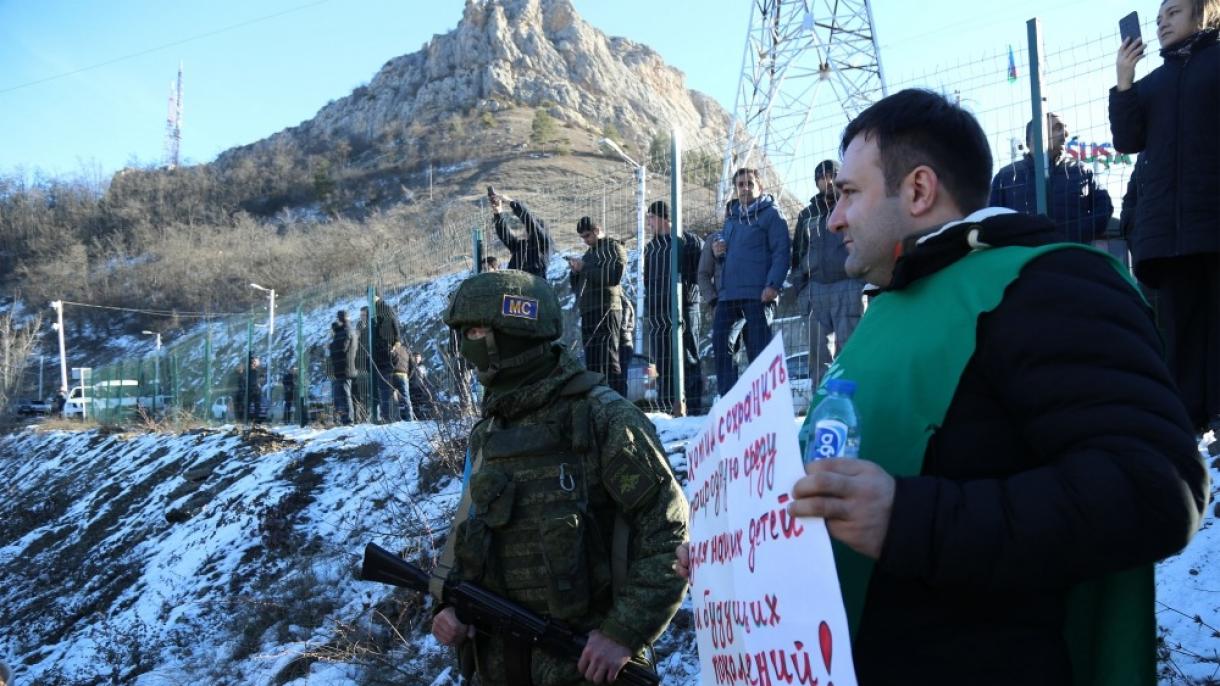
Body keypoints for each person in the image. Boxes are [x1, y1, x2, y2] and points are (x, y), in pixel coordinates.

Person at [678, 88, 1207, 685]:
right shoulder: (892, 311)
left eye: (849, 193)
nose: (833, 218)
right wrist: (737, 552)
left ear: (920, 190)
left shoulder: (1049, 283)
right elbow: (842, 494)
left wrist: (910, 520)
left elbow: (1158, 488)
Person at [432, 270, 688, 685]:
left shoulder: (603, 418)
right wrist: (448, 610)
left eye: (475, 331)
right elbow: (468, 536)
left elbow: (669, 533)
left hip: (584, 668)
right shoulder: (489, 432)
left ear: (512, 334)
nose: (465, 348)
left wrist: (623, 633)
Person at [1111, 0, 1220, 435]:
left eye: (1173, 12)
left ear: (1204, 14)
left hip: (1213, 221)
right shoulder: (1152, 84)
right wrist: (1124, 82)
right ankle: (1187, 427)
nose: (1161, 23)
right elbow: (1127, 139)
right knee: (1179, 331)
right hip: (1168, 235)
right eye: (1158, 18)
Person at [710, 168, 790, 397]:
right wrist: (719, 252)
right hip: (729, 294)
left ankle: (765, 401)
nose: (745, 188)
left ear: (759, 187)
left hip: (759, 293)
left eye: (749, 183)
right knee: (720, 343)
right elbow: (728, 255)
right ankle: (730, 400)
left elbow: (781, 251)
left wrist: (773, 284)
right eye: (740, 184)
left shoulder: (772, 215)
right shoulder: (732, 217)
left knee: (759, 351)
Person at [789, 160, 866, 387]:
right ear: (816, 182)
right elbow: (798, 253)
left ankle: (854, 408)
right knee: (818, 359)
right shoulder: (807, 214)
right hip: (815, 291)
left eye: (833, 175)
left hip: (849, 285)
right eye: (822, 177)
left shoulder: (854, 204)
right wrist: (801, 289)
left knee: (851, 354)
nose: (828, 180)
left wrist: (861, 282)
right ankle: (821, 408)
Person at [988, 113, 1115, 244]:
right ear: (1034, 137)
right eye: (1057, 127)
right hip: (1023, 257)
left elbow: (1104, 207)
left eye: (1065, 128)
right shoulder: (1006, 176)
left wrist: (1077, 235)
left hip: (1070, 254)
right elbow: (991, 217)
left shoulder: (1082, 171)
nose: (1066, 133)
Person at [643, 200, 704, 415]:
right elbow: (647, 281)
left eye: (650, 216)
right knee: (663, 363)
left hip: (685, 308)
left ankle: (694, 409)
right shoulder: (651, 248)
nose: (648, 222)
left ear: (662, 217)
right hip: (659, 314)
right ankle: (667, 409)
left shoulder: (689, 241)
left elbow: (702, 275)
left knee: (688, 358)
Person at [568, 217, 628, 396]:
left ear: (596, 230)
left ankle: (620, 401)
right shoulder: (589, 254)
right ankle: (598, 402)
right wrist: (575, 272)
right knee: (593, 363)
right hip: (589, 311)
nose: (585, 240)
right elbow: (578, 286)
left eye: (586, 235)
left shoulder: (613, 248)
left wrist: (584, 268)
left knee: (609, 358)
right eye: (582, 237)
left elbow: (613, 277)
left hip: (607, 308)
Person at [489, 190, 553, 279]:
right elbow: (505, 235)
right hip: (512, 289)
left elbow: (530, 222)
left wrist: (511, 202)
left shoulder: (544, 244)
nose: (524, 230)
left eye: (527, 229)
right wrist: (498, 213)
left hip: (534, 290)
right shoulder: (520, 246)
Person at [371, 291, 408, 423]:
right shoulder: (373, 312)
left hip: (386, 353)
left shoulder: (385, 309)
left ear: (377, 296)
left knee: (389, 388)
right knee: (386, 389)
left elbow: (394, 324)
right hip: (380, 354)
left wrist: (396, 341)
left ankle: (395, 418)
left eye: (371, 296)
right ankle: (390, 417)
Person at [329, 310, 357, 425]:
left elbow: (342, 348)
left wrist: (331, 346)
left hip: (344, 368)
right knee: (341, 395)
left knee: (345, 395)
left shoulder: (346, 331)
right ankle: (344, 419)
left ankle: (348, 420)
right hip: (343, 368)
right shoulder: (347, 330)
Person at [389, 341, 415, 421]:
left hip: (392, 375)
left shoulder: (392, 349)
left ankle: (394, 417)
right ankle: (409, 417)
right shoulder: (407, 350)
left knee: (392, 397)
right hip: (403, 375)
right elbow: (413, 365)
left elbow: (389, 361)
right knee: (406, 397)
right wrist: (408, 376)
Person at [407, 350, 436, 420]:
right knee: (414, 404)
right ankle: (415, 417)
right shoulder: (409, 367)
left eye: (418, 357)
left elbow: (425, 378)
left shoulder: (422, 367)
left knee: (426, 400)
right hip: (412, 388)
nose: (417, 358)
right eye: (415, 357)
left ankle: (429, 415)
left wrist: (430, 385)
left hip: (421, 388)